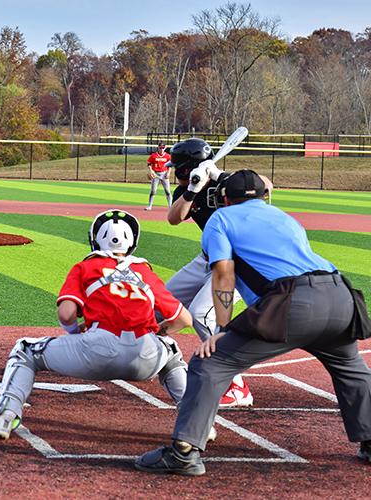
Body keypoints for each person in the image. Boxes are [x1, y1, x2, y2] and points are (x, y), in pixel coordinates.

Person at [135, 169, 371, 476]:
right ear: (264, 195)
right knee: (349, 367)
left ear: (223, 199)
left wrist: (222, 330)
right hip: (341, 295)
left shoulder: (221, 218)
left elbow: (223, 274)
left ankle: (183, 452)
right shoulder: (284, 217)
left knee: (210, 364)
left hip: (294, 302)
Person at [0, 209, 211, 443]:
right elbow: (183, 320)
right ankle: (197, 424)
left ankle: (4, 417)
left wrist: (74, 332)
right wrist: (156, 332)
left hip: (97, 349)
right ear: (132, 243)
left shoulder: (85, 267)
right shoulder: (144, 271)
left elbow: (67, 313)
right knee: (171, 349)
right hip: (147, 354)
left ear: (95, 239)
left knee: (25, 350)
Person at [161, 138, 271, 408]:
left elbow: (266, 186)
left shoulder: (230, 183)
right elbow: (174, 218)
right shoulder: (188, 186)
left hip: (233, 264)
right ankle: (147, 354)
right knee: (162, 302)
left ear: (188, 166)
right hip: (206, 258)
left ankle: (237, 386)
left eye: (179, 167)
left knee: (201, 315)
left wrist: (221, 176)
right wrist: (192, 190)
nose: (175, 171)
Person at [145, 142, 172, 211]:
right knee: (153, 191)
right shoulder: (154, 155)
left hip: (164, 174)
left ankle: (170, 206)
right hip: (156, 174)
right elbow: (149, 163)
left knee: (168, 191)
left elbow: (170, 166)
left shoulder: (167, 156)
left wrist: (168, 173)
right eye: (160, 148)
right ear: (158, 148)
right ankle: (149, 206)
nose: (162, 149)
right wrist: (151, 171)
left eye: (163, 148)